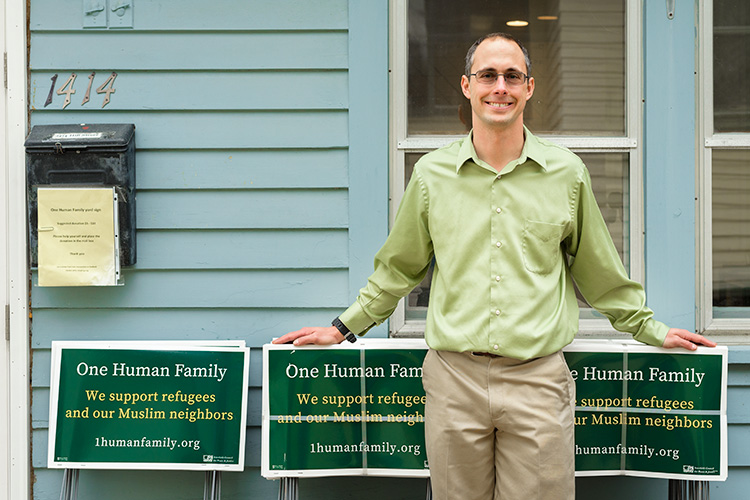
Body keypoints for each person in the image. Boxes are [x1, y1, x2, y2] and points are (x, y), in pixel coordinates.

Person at [273, 32, 715, 500]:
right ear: (467, 86)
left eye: (512, 76)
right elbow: (398, 269)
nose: (499, 86)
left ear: (529, 87)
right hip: (454, 380)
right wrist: (343, 328)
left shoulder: (566, 173)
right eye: (487, 75)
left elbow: (598, 270)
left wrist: (650, 329)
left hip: (538, 379)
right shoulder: (430, 176)